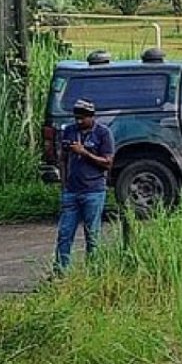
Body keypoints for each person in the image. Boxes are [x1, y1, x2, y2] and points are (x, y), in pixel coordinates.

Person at [54, 99, 114, 272]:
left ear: (91, 117)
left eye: (82, 118)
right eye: (76, 118)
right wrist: (64, 184)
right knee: (64, 233)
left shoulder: (103, 133)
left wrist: (84, 153)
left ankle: (93, 270)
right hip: (72, 191)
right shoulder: (70, 131)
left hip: (93, 191)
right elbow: (63, 159)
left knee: (92, 234)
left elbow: (108, 162)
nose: (79, 122)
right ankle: (60, 271)